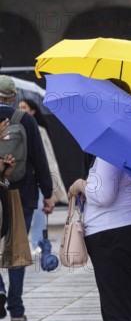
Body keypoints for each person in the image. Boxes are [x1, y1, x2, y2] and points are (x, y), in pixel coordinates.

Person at [68, 79, 131, 321]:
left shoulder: (114, 139)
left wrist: (80, 184)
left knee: (120, 315)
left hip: (114, 236)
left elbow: (103, 194)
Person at [0, 75, 54, 321]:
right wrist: (49, 193)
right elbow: (40, 161)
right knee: (17, 251)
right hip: (22, 193)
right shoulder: (26, 120)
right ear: (13, 97)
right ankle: (17, 308)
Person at [18, 99, 68, 254]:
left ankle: (36, 243)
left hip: (37, 177)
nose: (21, 110)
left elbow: (47, 157)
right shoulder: (16, 127)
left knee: (40, 210)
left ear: (33, 110)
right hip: (24, 179)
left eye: (24, 107)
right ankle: (28, 244)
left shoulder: (39, 129)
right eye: (19, 107)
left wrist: (49, 180)